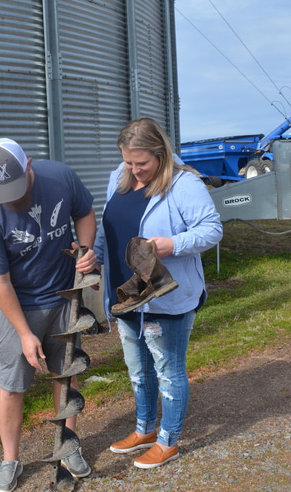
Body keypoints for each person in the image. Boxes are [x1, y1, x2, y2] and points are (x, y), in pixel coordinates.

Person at [92, 117, 222, 469]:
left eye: (142, 164)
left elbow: (212, 229)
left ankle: (169, 440)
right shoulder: (118, 178)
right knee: (138, 371)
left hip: (164, 297)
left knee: (168, 370)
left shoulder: (184, 184)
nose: (134, 171)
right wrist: (95, 258)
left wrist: (173, 244)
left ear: (161, 154)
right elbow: (108, 230)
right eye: (128, 162)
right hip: (126, 296)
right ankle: (145, 429)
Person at [0, 138, 97, 492]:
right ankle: (10, 458)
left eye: (16, 186)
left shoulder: (59, 177)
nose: (11, 198)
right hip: (16, 306)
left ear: (30, 166)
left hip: (62, 296)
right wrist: (25, 333)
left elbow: (84, 212)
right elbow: (0, 282)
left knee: (66, 374)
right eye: (2, 190)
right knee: (12, 385)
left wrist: (86, 252)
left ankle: (67, 444)